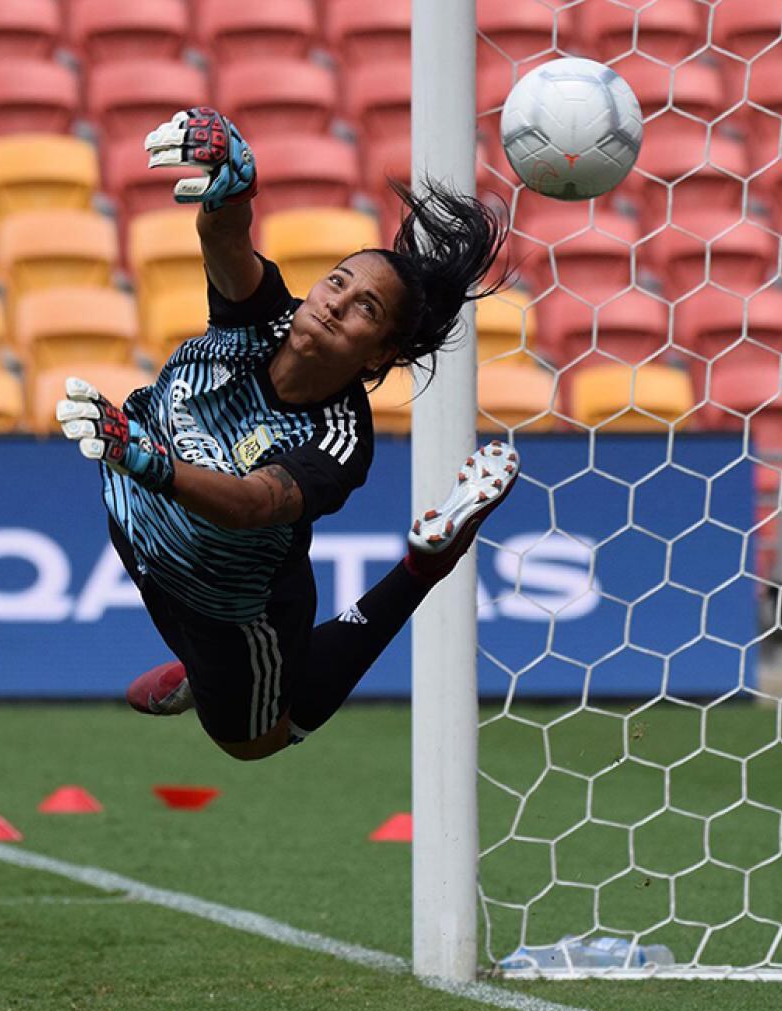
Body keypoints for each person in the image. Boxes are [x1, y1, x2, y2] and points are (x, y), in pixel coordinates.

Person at [56, 107, 520, 761]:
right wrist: (232, 185)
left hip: (236, 609)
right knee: (211, 661)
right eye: (337, 282)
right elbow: (226, 242)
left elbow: (254, 506)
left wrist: (144, 457)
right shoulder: (260, 320)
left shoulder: (339, 439)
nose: (335, 301)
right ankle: (200, 677)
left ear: (378, 357)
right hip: (151, 540)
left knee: (259, 741)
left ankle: (425, 564)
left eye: (366, 308)